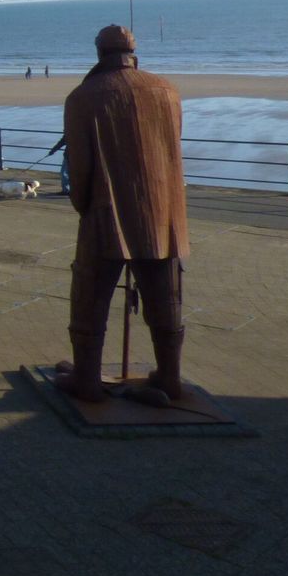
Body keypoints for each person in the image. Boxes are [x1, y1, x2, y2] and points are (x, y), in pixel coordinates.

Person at [55, 25, 190, 403]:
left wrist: (83, 206)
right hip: (163, 214)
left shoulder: (83, 97)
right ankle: (169, 377)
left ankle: (86, 380)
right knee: (166, 297)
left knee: (90, 294)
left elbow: (79, 168)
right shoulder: (168, 91)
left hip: (106, 211)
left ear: (100, 53)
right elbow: (172, 150)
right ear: (134, 53)